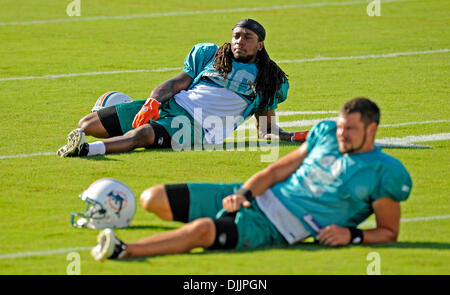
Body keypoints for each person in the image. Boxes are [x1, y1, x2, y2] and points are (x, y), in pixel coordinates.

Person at [90, 97, 413, 261]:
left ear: (371, 131)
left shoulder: (385, 170)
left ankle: (124, 250)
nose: (342, 134)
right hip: (254, 198)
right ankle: (203, 228)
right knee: (153, 199)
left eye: (351, 130)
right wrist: (244, 193)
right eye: (341, 127)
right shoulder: (326, 134)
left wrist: (352, 235)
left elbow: (389, 232)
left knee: (203, 231)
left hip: (278, 226)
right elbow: (275, 171)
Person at [57, 19, 308, 158]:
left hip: (198, 128)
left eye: (247, 38)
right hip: (172, 106)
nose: (239, 42)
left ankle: (86, 150)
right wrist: (153, 102)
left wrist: (291, 137)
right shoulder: (211, 55)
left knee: (143, 135)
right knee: (87, 124)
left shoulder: (270, 79)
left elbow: (265, 131)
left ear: (260, 45)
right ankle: (119, 138)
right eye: (236, 36)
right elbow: (175, 84)